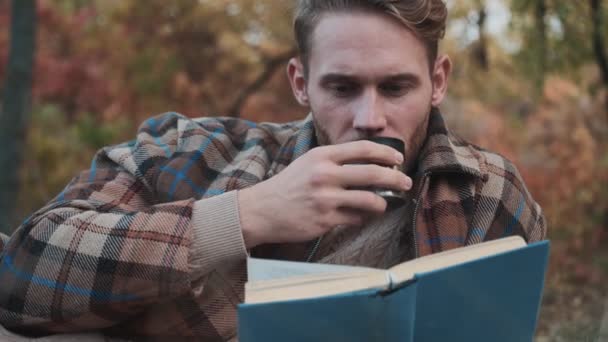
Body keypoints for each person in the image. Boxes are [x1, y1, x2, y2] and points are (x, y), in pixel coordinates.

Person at [0, 0, 546, 340]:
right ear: (301, 83)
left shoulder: (484, 194)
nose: (369, 118)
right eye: (342, 87)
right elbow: (21, 273)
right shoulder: (194, 150)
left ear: (439, 82)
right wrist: (248, 214)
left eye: (396, 87)